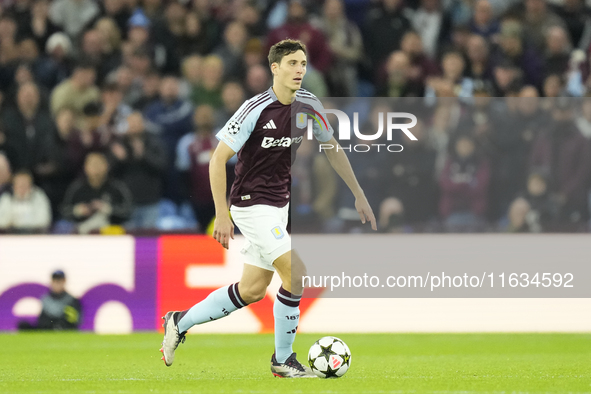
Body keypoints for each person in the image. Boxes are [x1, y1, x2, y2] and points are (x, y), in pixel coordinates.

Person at [160, 39, 376, 377]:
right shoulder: (255, 108)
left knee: (252, 290)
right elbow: (217, 161)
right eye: (291, 63)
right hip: (249, 204)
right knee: (297, 273)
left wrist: (358, 193)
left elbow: (331, 147)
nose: (299, 70)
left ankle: (179, 321)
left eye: (303, 63)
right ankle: (283, 359)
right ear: (274, 68)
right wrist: (222, 213)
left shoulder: (309, 104)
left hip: (278, 206)